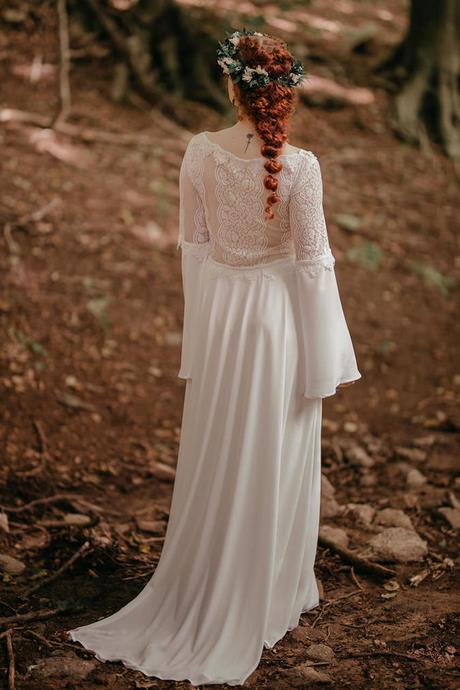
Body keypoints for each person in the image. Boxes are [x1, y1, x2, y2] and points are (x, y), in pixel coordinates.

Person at [67, 28, 361, 686]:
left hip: (227, 320)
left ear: (231, 87)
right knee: (276, 450)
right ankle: (269, 586)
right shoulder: (302, 167)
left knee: (222, 445)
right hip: (281, 324)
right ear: (285, 95)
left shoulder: (198, 153)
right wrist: (324, 358)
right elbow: (313, 264)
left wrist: (200, 336)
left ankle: (222, 578)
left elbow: (194, 250)